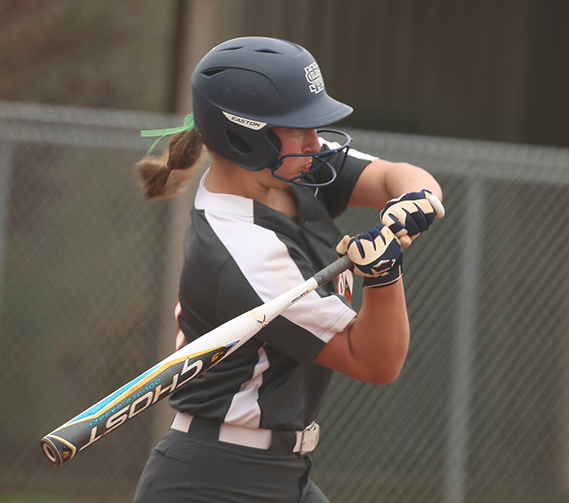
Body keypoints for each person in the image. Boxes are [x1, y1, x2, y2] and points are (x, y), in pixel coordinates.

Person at [131, 36, 443, 503]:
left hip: (280, 474)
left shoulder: (292, 175)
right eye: (299, 128)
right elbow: (376, 360)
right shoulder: (243, 249)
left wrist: (414, 200)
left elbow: (393, 176)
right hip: (215, 483)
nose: (316, 142)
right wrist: (383, 278)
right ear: (246, 136)